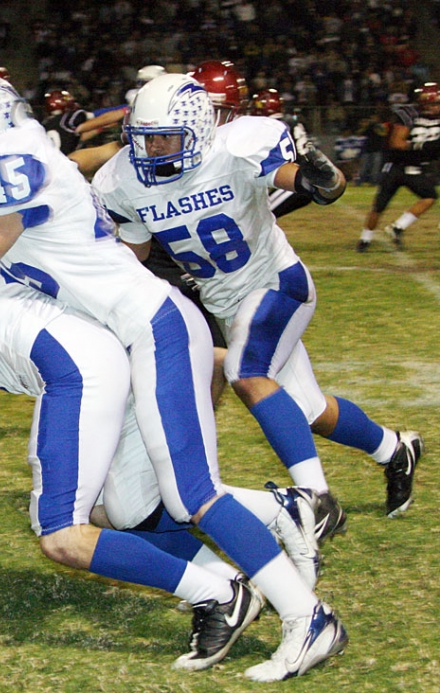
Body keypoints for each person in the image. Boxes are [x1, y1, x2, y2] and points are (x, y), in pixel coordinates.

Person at [0, 73, 346, 682]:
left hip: (151, 326)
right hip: (128, 335)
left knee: (192, 493)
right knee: (138, 507)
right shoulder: (11, 166)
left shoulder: (9, 164)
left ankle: (308, 619)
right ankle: (279, 518)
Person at [92, 74, 423, 534]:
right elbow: (137, 253)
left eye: (166, 138)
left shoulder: (235, 147)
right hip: (228, 304)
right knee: (303, 410)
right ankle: (394, 448)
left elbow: (308, 181)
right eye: (145, 140)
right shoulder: (124, 180)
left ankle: (317, 501)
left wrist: (319, 179)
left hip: (276, 282)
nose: (154, 151)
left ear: (199, 130)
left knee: (245, 374)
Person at [357, 82, 440, 252]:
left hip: (415, 168)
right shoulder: (409, 114)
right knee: (379, 206)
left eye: (437, 104)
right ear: (424, 103)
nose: (436, 108)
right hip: (395, 166)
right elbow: (397, 143)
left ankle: (397, 227)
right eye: (433, 104)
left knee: (430, 196)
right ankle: (364, 240)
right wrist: (422, 147)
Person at [247, 87, 318, 218]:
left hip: (295, 181)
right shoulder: (291, 122)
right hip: (303, 177)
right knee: (262, 217)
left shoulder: (268, 126)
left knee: (260, 217)